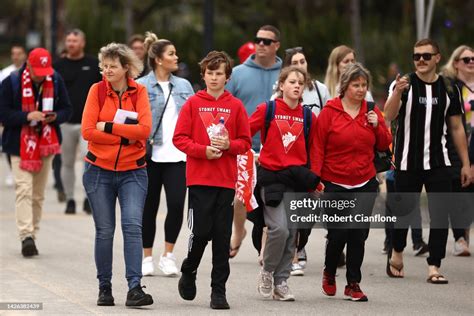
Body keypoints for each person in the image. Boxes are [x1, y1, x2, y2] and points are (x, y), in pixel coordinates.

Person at [384, 39, 471, 284]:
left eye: (425, 56)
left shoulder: (448, 87)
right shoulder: (405, 84)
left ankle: (434, 265)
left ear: (437, 58)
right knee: (404, 212)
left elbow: (456, 127)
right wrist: (397, 92)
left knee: (440, 215)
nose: (420, 60)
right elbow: (388, 116)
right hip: (406, 162)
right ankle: (398, 251)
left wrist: (465, 163)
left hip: (439, 162)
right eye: (416, 56)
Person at [173, 51, 251, 310]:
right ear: (203, 75)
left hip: (225, 181)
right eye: (210, 73)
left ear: (228, 77)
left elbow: (245, 143)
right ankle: (190, 268)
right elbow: (180, 138)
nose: (214, 78)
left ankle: (219, 291)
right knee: (201, 231)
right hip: (199, 179)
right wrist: (201, 151)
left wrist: (229, 145)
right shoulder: (193, 103)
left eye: (219, 74)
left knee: (221, 236)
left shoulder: (236, 106)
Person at [81, 43, 153, 307]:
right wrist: (125, 138)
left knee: (133, 227)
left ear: (126, 68)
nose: (107, 70)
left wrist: (110, 127)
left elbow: (144, 131)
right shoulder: (97, 91)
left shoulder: (140, 92)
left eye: (113, 66)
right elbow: (88, 131)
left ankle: (135, 288)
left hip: (133, 172)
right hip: (98, 171)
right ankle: (105, 288)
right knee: (104, 231)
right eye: (104, 65)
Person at [315, 63, 391, 301]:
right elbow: (317, 148)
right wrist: (315, 181)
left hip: (364, 181)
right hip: (334, 181)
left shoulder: (371, 110)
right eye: (355, 85)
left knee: (358, 234)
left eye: (364, 85)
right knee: (338, 234)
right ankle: (329, 272)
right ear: (345, 86)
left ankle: (353, 283)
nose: (360, 89)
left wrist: (377, 125)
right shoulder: (329, 112)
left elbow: (384, 144)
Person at [252, 66, 320, 301]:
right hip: (271, 178)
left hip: (297, 180)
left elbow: (316, 148)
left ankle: (281, 283)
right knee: (279, 228)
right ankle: (268, 272)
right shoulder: (267, 109)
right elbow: (244, 131)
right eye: (292, 81)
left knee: (293, 234)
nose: (296, 86)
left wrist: (316, 180)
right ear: (281, 85)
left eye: (300, 83)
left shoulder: (308, 116)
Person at [0, 47, 72, 257]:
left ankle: (33, 233)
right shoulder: (11, 82)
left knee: (38, 195)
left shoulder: (55, 80)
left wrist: (55, 117)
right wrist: (26, 116)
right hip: (18, 144)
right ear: (28, 65)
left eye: (45, 72)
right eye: (38, 72)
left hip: (46, 143)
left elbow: (67, 109)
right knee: (23, 189)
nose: (42, 76)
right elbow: (3, 114)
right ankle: (26, 236)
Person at [136, 32, 194, 277]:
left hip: (178, 156)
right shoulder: (140, 86)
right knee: (148, 207)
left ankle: (168, 255)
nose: (176, 57)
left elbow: (193, 119)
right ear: (158, 59)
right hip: (149, 156)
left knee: (177, 205)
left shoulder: (184, 86)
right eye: (171, 54)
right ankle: (146, 257)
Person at [271, 46, 330, 276]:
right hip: (279, 169)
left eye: (303, 61)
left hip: (306, 167)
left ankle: (298, 249)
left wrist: (317, 174)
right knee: (282, 221)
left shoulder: (318, 93)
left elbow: (320, 137)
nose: (300, 65)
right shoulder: (273, 103)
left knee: (303, 219)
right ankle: (283, 262)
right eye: (295, 62)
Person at [226, 25, 282, 259]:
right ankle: (239, 231)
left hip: (278, 148)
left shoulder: (286, 74)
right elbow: (227, 107)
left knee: (271, 198)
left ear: (276, 46)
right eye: (257, 40)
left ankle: (268, 248)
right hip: (245, 145)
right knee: (241, 196)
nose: (260, 44)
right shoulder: (238, 73)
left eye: (267, 41)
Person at [54, 28, 102, 215]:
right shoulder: (58, 66)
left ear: (82, 43)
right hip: (65, 123)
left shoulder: (93, 64)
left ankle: (87, 199)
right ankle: (70, 199)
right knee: (66, 162)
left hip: (88, 124)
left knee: (88, 161)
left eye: (74, 41)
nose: (71, 44)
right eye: (69, 41)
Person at [441, 45, 474, 256]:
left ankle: (465, 228)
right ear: (456, 63)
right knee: (458, 191)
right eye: (466, 59)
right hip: (457, 146)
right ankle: (459, 237)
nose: (471, 62)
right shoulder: (451, 87)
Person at [0, 44, 27, 187]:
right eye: (13, 53)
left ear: (24, 55)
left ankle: (24, 171)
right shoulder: (5, 73)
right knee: (9, 144)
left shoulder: (31, 72)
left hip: (26, 114)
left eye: (19, 53)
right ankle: (13, 171)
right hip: (10, 115)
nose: (16, 56)